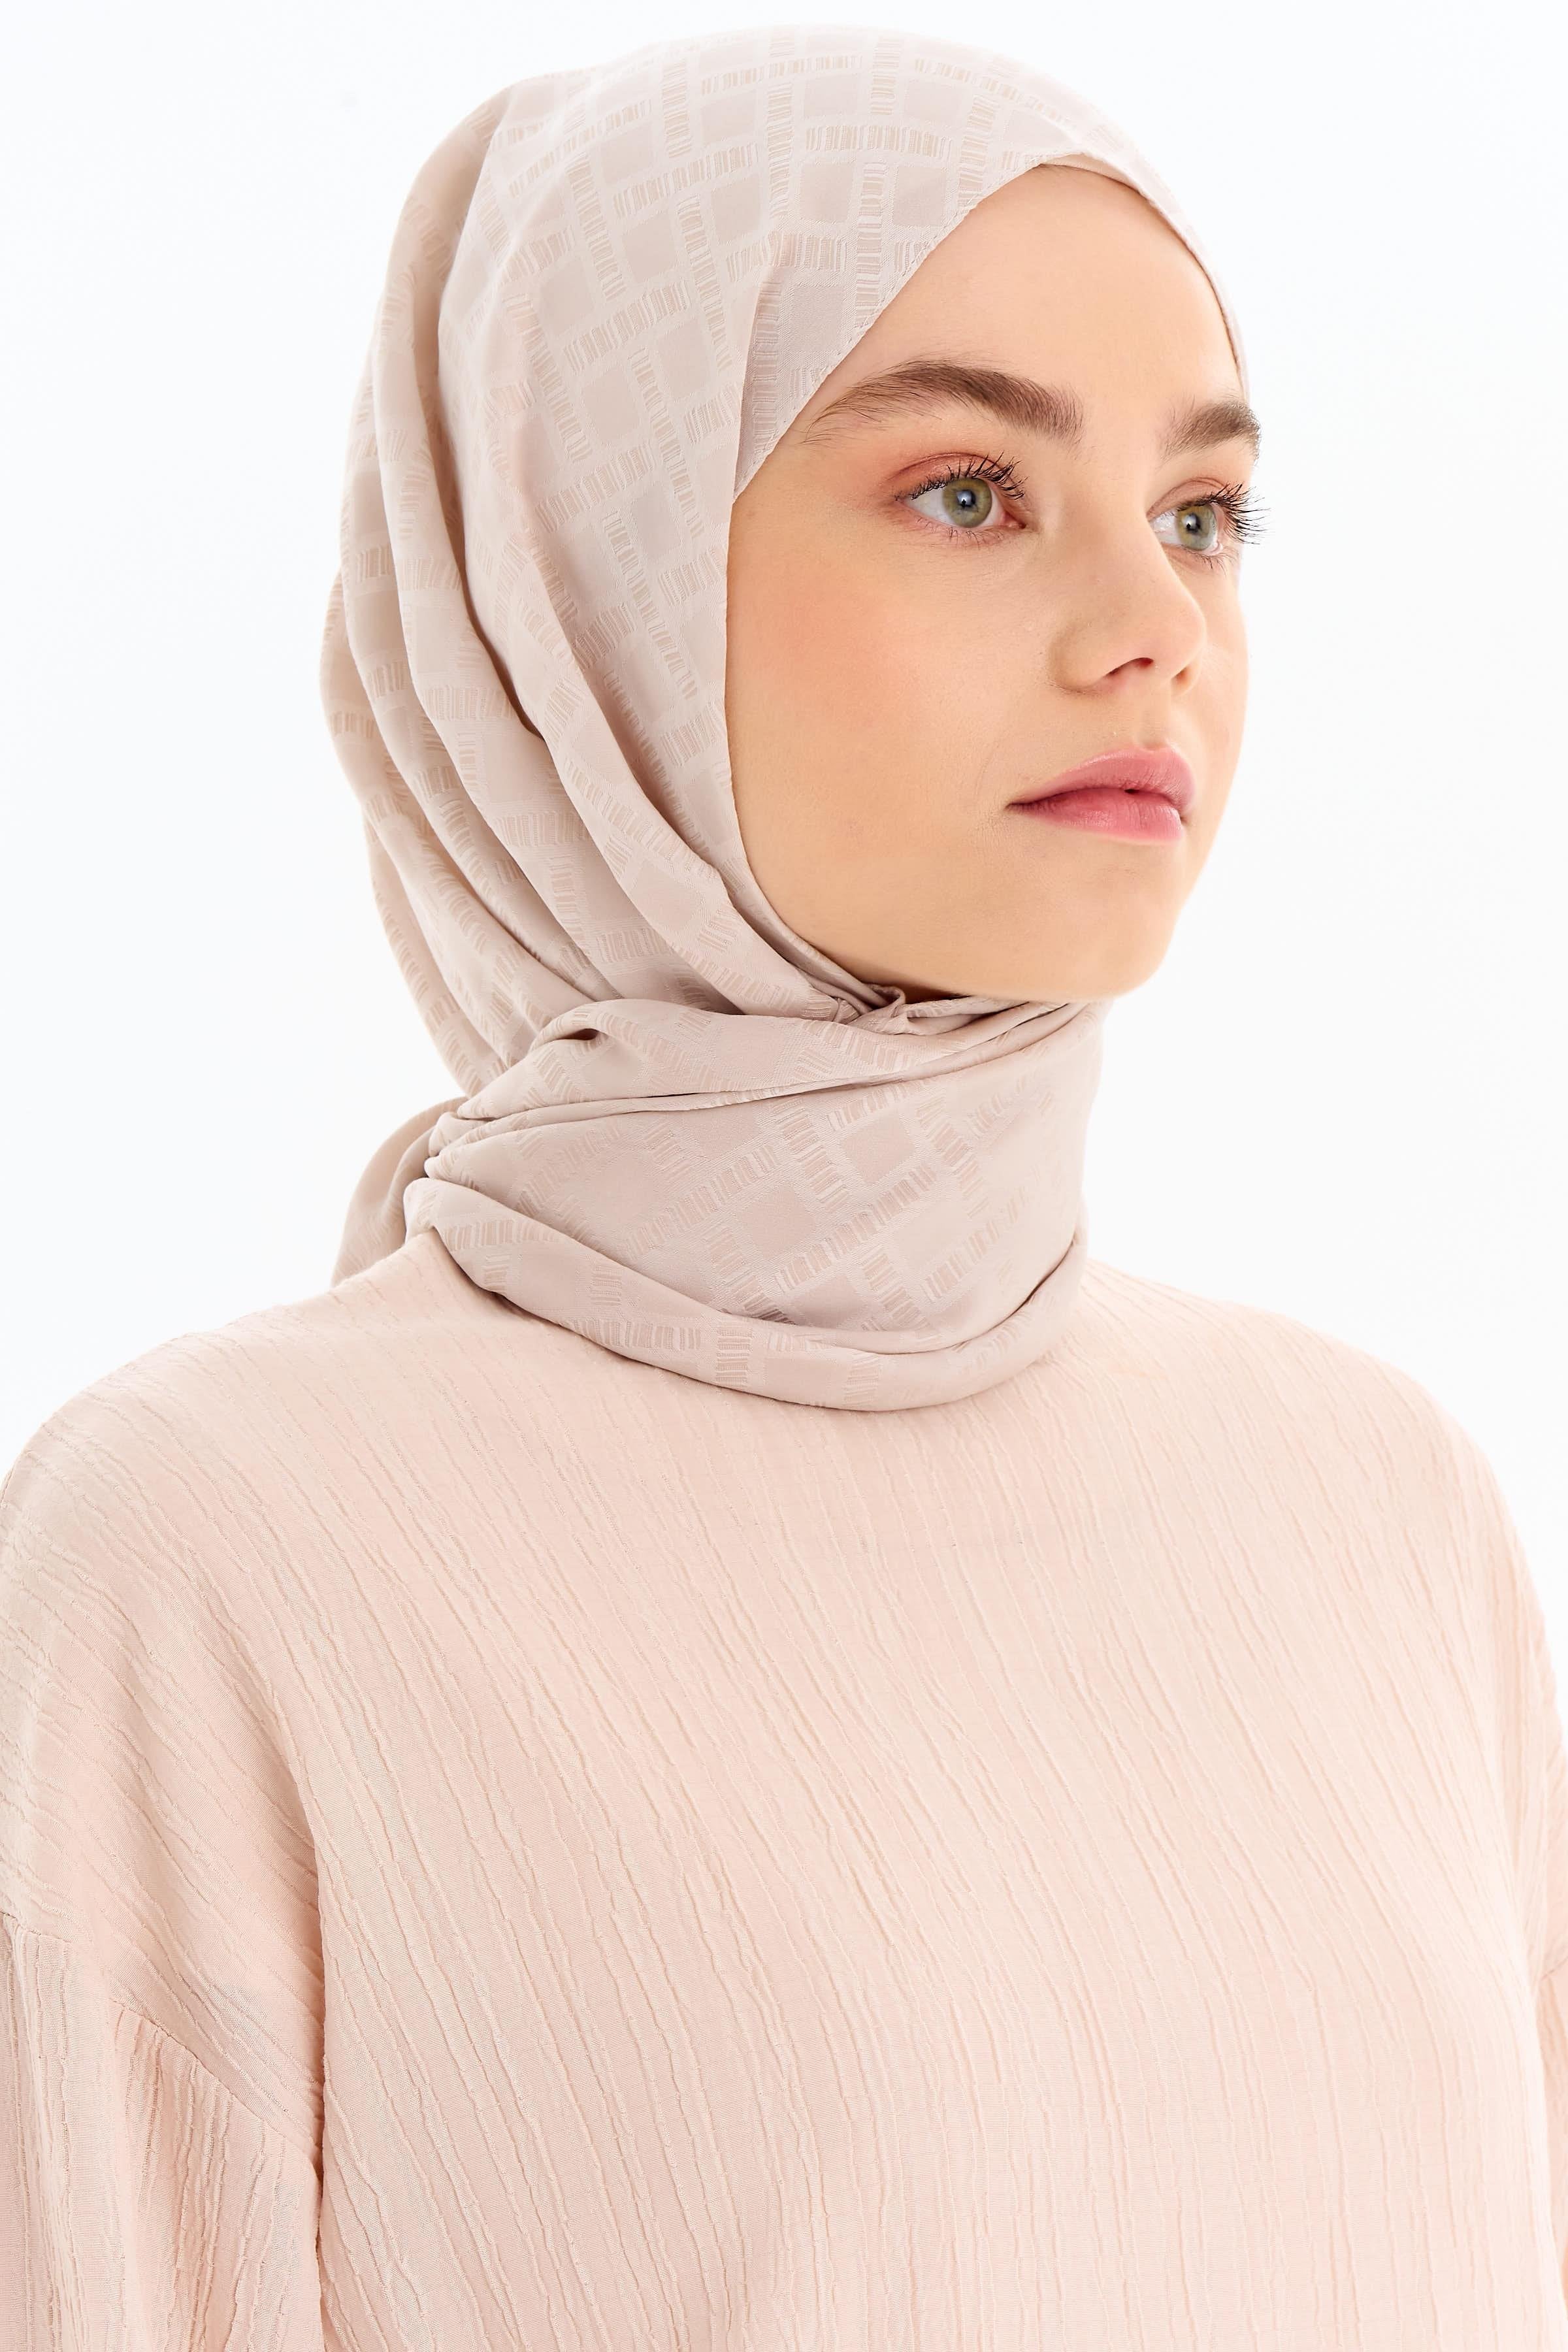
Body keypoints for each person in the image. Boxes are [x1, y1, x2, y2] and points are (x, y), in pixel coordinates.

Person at [3, 23, 1565, 2347]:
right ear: (583, 577)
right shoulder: (215, 1548)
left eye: (1204, 512)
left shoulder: (1383, 1508)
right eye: (969, 490)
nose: (1156, 624)